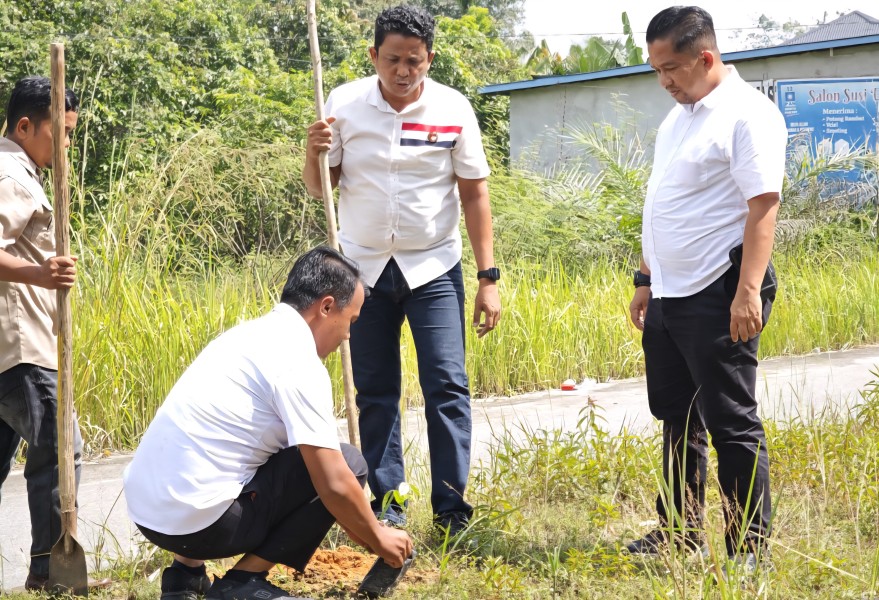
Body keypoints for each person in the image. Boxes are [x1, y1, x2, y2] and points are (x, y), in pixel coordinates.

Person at [303, 5, 501, 535]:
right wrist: (312, 152)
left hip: (434, 265)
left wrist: (488, 278)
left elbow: (475, 193)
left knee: (447, 385)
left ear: (429, 59)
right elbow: (321, 186)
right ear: (373, 56)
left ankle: (452, 508)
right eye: (392, 59)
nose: (403, 70)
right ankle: (390, 500)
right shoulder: (343, 104)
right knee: (375, 390)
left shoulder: (453, 108)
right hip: (361, 271)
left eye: (415, 60)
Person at [123, 247, 413, 600]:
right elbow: (334, 482)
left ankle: (185, 574)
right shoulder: (298, 362)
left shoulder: (243, 337)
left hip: (148, 514)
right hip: (201, 525)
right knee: (349, 464)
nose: (348, 336)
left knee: (245, 453)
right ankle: (243, 582)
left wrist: (362, 525)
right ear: (325, 307)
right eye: (350, 321)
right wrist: (378, 536)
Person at [626, 6, 787, 572]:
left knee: (732, 422)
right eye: (656, 69)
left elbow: (763, 205)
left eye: (671, 67)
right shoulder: (678, 120)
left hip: (720, 291)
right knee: (677, 415)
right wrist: (646, 279)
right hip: (671, 292)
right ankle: (679, 529)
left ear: (707, 58)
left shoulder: (748, 115)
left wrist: (747, 293)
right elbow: (661, 204)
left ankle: (748, 551)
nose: (664, 80)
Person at [0, 75, 109, 591]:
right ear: (25, 127)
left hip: (13, 348)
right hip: (22, 348)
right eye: (60, 134)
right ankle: (49, 572)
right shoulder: (12, 176)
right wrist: (39, 274)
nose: (66, 145)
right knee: (60, 449)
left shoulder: (18, 171)